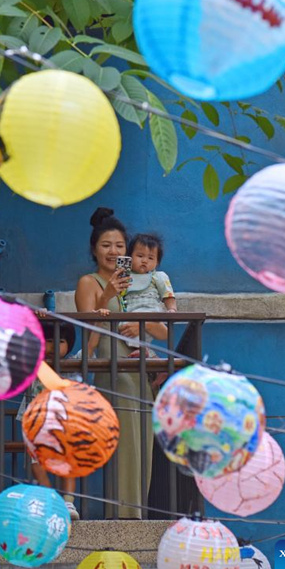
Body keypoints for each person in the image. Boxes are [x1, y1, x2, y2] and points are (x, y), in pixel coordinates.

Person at [74, 207, 153, 519]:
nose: (114, 252)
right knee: (123, 442)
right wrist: (107, 295)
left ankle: (140, 512)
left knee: (143, 442)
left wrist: (142, 327)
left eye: (120, 246)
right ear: (94, 249)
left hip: (137, 367)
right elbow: (89, 340)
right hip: (111, 368)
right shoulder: (88, 282)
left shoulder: (139, 283)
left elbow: (158, 328)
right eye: (107, 245)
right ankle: (123, 515)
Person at [17, 317, 80, 520]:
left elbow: (91, 346)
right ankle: (51, 498)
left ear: (69, 345)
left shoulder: (74, 363)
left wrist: (98, 320)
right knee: (36, 460)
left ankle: (68, 501)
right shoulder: (35, 363)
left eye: (60, 341)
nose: (53, 346)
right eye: (49, 341)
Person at [122, 233, 177, 392]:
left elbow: (168, 294)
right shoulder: (125, 277)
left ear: (157, 262)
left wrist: (171, 309)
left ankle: (147, 354)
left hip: (149, 310)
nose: (144, 260)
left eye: (150, 258)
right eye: (140, 256)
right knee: (125, 329)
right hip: (130, 311)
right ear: (130, 256)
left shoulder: (158, 276)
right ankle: (157, 364)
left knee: (142, 332)